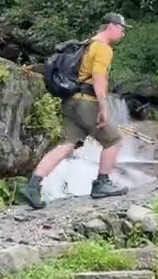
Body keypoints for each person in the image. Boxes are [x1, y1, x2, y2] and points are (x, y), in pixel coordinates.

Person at [18, 13, 131, 209]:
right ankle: (102, 184)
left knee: (67, 144)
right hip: (86, 103)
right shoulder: (103, 48)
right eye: (122, 29)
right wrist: (104, 107)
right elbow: (99, 77)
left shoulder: (85, 45)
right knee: (113, 141)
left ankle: (33, 186)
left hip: (70, 101)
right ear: (111, 27)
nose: (123, 33)